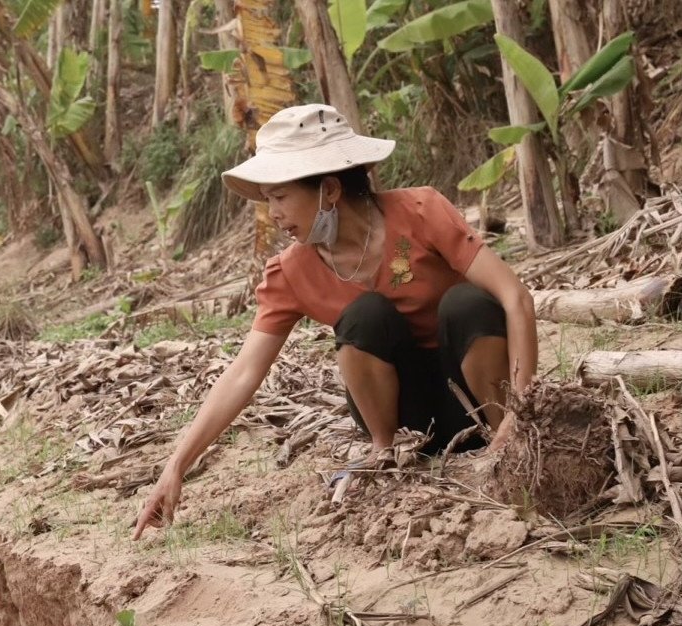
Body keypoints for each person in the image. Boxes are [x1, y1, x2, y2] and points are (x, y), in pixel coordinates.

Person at [132, 103, 537, 540]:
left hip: (477, 400)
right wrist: (175, 466)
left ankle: (503, 443)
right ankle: (385, 454)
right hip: (408, 417)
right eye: (268, 200)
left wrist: (521, 411)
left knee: (467, 303)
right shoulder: (291, 271)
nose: (274, 214)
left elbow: (515, 298)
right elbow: (244, 372)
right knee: (365, 314)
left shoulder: (420, 213)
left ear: (328, 190)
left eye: (282, 197)